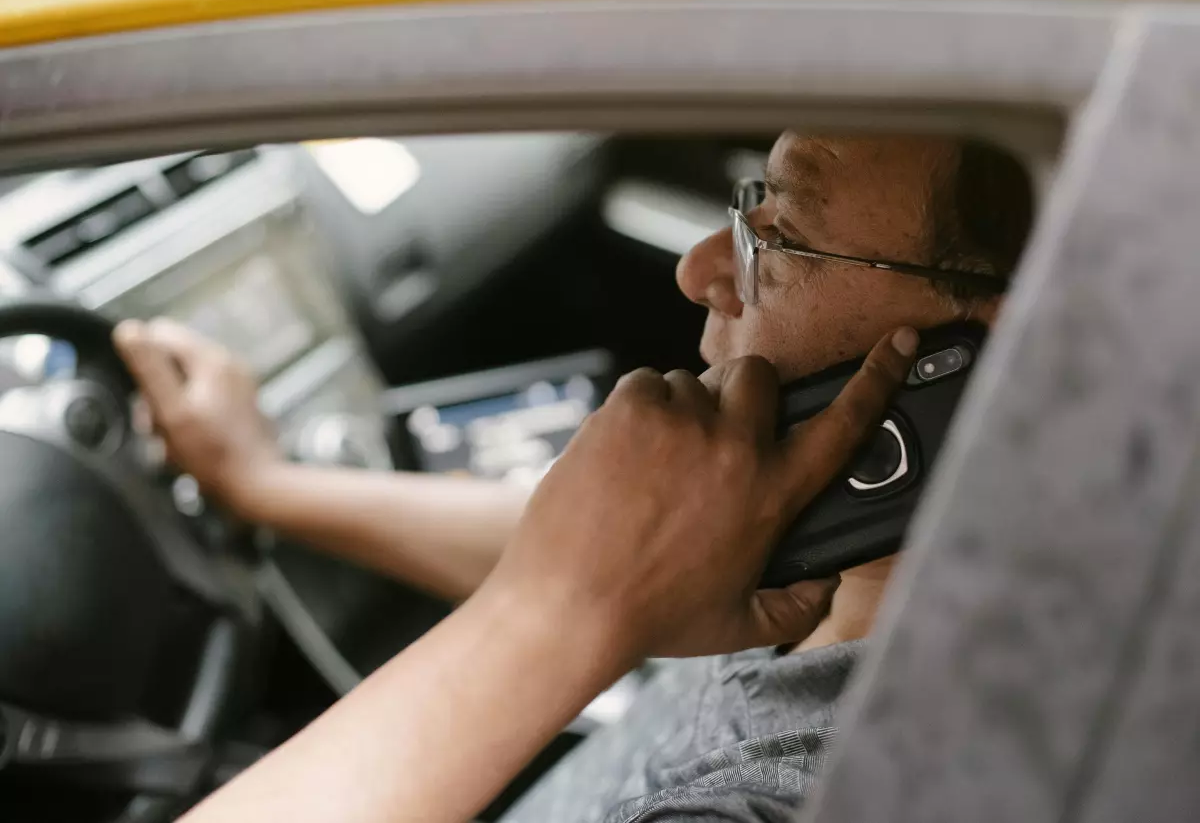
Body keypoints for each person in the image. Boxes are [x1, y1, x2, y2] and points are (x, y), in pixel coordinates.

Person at [113, 132, 1034, 823]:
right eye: (748, 203)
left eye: (784, 234)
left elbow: (584, 578)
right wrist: (271, 486)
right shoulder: (843, 556)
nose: (700, 268)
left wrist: (556, 614)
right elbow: (602, 558)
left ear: (1001, 353)